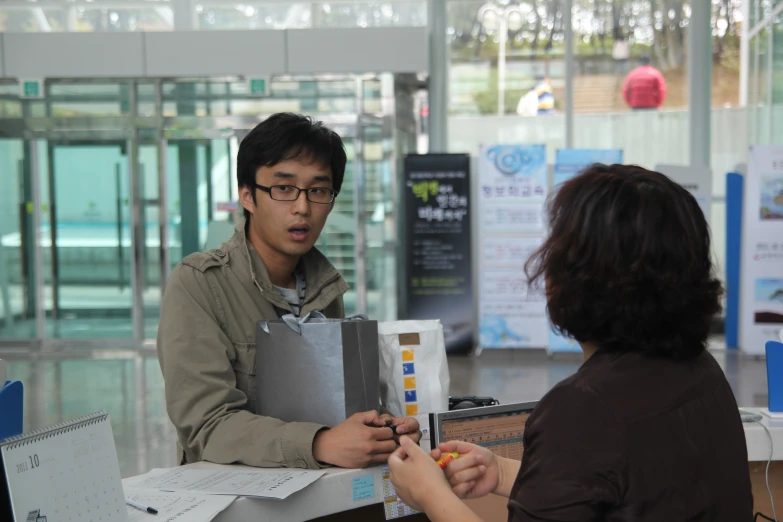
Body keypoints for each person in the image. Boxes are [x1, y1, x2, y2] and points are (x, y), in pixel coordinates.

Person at [388, 164, 754, 521]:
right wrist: (500, 472)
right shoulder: (701, 370)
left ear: (580, 275)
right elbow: (629, 493)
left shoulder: (584, 408)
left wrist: (430, 494)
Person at [158, 113, 420, 470]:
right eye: (283, 188)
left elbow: (335, 403)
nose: (302, 207)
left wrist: (382, 428)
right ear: (248, 196)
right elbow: (206, 425)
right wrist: (320, 443)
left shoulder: (324, 289)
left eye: (318, 190)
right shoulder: (200, 283)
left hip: (320, 495)